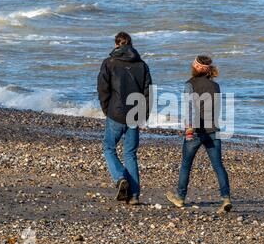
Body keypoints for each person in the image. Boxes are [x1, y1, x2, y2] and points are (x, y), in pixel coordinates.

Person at [166, 55, 232, 214]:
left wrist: (189, 129)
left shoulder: (190, 85)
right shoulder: (215, 86)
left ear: (195, 68)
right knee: (218, 165)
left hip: (195, 131)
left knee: (186, 165)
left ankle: (180, 198)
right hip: (213, 130)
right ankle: (226, 198)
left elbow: (189, 109)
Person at [97, 32, 152, 205]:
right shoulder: (141, 65)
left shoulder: (109, 63)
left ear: (116, 45)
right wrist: (144, 115)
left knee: (108, 148)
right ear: (131, 44)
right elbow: (147, 92)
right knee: (130, 154)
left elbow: (103, 89)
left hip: (116, 112)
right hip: (134, 114)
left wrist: (106, 109)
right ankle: (134, 195)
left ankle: (120, 177)